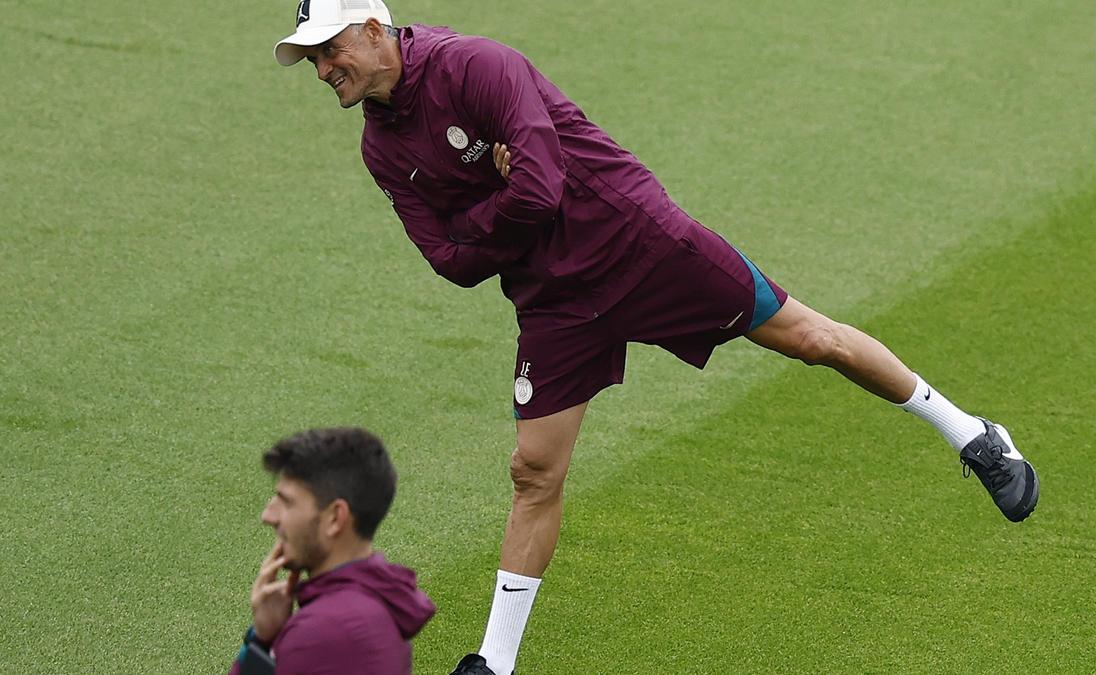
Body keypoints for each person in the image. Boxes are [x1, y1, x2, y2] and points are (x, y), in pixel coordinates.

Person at [272, 3, 1040, 673]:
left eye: (329, 49)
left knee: (813, 339)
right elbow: (450, 261)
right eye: (312, 58)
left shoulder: (478, 66)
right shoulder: (381, 148)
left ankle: (974, 435)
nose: (323, 69)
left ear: (372, 29)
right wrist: (503, 201)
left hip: (642, 241)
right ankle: (494, 661)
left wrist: (489, 214)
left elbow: (539, 188)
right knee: (533, 470)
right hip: (553, 300)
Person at [229, 427, 436, 675]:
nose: (268, 515)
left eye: (286, 502)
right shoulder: (379, 599)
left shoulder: (323, 631)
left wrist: (258, 645)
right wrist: (264, 639)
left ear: (335, 518)